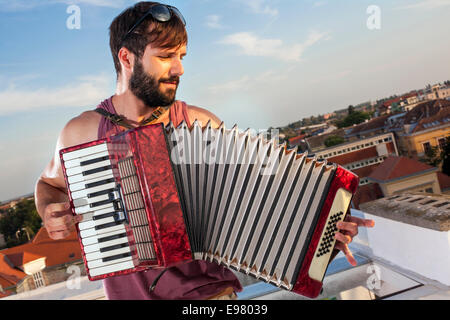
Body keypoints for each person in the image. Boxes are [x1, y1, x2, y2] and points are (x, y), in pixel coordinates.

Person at [34, 1, 374, 300]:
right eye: (166, 56)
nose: (179, 69)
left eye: (181, 56)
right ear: (127, 57)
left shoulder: (201, 125)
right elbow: (48, 186)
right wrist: (50, 211)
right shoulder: (81, 132)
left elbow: (259, 210)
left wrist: (321, 236)